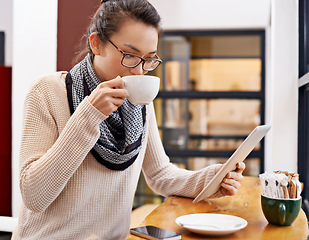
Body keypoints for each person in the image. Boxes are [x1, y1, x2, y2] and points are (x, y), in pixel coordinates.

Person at [12, 0, 245, 239]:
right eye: (130, 55)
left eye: (149, 59)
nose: (139, 71)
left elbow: (160, 175)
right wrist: (89, 114)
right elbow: (34, 196)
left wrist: (213, 178)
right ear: (96, 44)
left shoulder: (139, 103)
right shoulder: (47, 91)